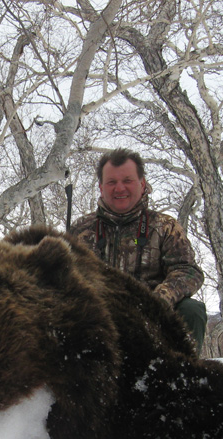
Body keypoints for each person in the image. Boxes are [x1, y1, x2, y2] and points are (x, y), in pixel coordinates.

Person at [69, 148, 207, 353]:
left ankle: (181, 377)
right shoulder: (81, 229)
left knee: (192, 310)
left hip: (153, 321)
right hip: (99, 322)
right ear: (101, 187)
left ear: (142, 184)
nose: (119, 188)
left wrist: (157, 301)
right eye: (111, 182)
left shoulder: (164, 226)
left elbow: (188, 271)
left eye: (127, 180)